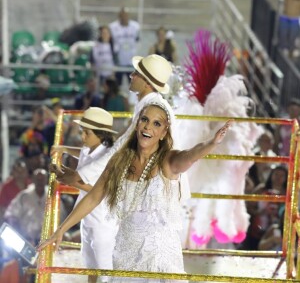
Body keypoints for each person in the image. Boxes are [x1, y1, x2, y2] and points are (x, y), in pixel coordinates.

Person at [37, 101, 232, 281]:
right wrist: (60, 230)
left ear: (164, 132)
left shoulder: (168, 161)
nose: (148, 127)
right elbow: (94, 196)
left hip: (160, 257)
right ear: (137, 124)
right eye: (145, 120)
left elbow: (190, 155)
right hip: (126, 250)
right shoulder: (120, 160)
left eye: (157, 124)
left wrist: (212, 143)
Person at [50, 107, 119, 283]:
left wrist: (68, 179)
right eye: (83, 132)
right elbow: (81, 154)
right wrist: (64, 149)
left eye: (87, 133)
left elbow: (102, 190)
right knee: (90, 265)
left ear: (101, 135)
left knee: (105, 271)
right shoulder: (89, 147)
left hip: (103, 221)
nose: (83, 137)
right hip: (87, 217)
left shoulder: (107, 157)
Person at [4, 168, 49, 246]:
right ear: (33, 180)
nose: (40, 182)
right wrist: (18, 234)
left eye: (42, 179)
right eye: (38, 179)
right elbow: (11, 215)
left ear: (46, 180)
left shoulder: (52, 196)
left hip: (47, 241)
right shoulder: (24, 196)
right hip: (26, 240)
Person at [109, 7, 140, 85]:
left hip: (131, 62)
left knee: (133, 85)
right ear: (119, 16)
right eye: (122, 15)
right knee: (117, 85)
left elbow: (138, 41)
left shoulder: (135, 26)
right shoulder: (113, 27)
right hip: (118, 62)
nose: (124, 17)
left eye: (126, 15)